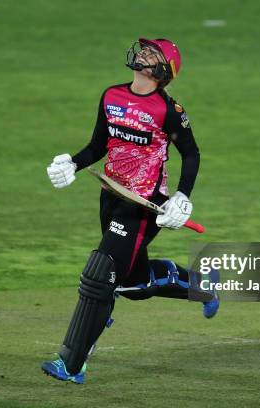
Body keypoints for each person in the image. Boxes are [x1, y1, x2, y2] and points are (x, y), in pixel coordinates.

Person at [41, 38, 219, 384]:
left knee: (102, 275)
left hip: (144, 205)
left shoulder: (169, 111)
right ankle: (202, 286)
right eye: (144, 50)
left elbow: (192, 154)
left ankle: (73, 364)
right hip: (111, 195)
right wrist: (73, 164)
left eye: (153, 53)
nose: (143, 53)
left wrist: (182, 197)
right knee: (133, 283)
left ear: (164, 71)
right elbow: (98, 145)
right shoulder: (111, 95)